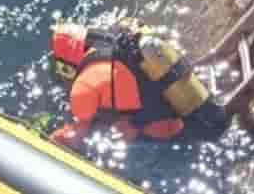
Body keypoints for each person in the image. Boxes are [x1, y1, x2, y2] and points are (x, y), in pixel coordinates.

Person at [47, 22, 229, 148]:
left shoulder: (82, 89)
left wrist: (54, 140)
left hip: (170, 126)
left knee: (122, 130)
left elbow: (78, 133)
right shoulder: (113, 38)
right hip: (183, 91)